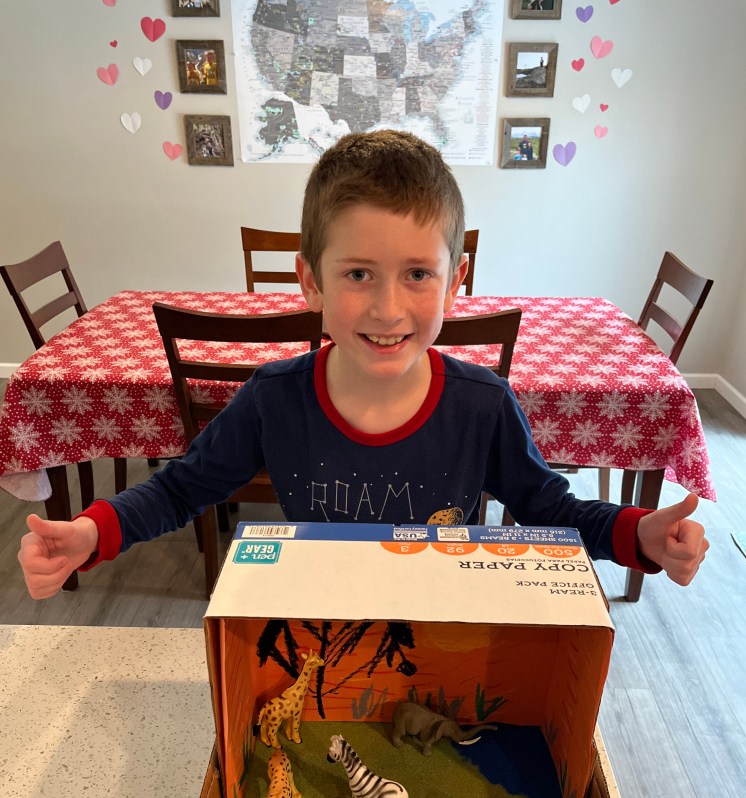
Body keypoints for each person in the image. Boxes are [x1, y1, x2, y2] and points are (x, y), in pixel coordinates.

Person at [18, 129, 708, 600]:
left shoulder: (483, 405)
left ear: (455, 282)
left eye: (417, 274)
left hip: (445, 616)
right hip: (317, 614)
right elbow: (180, 489)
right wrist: (92, 531)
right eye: (357, 274)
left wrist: (636, 534)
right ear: (310, 281)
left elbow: (549, 509)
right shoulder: (272, 399)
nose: (387, 307)